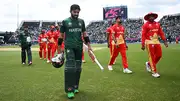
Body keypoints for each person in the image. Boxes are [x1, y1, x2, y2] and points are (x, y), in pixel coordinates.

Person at [55, 4, 93, 99]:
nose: (76, 14)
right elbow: (61, 36)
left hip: (79, 47)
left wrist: (89, 46)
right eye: (74, 12)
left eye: (78, 12)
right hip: (69, 47)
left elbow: (85, 34)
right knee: (70, 68)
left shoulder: (81, 22)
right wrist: (59, 50)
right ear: (70, 11)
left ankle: (75, 86)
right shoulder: (65, 22)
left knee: (78, 68)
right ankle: (69, 89)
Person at [141, 12, 168, 78]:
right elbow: (143, 35)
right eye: (150, 16)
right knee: (152, 56)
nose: (151, 17)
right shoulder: (145, 25)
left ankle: (149, 64)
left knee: (159, 55)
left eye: (152, 16)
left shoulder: (157, 24)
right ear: (148, 18)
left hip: (156, 41)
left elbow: (161, 33)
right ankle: (154, 72)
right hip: (149, 42)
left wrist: (165, 41)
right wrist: (143, 44)